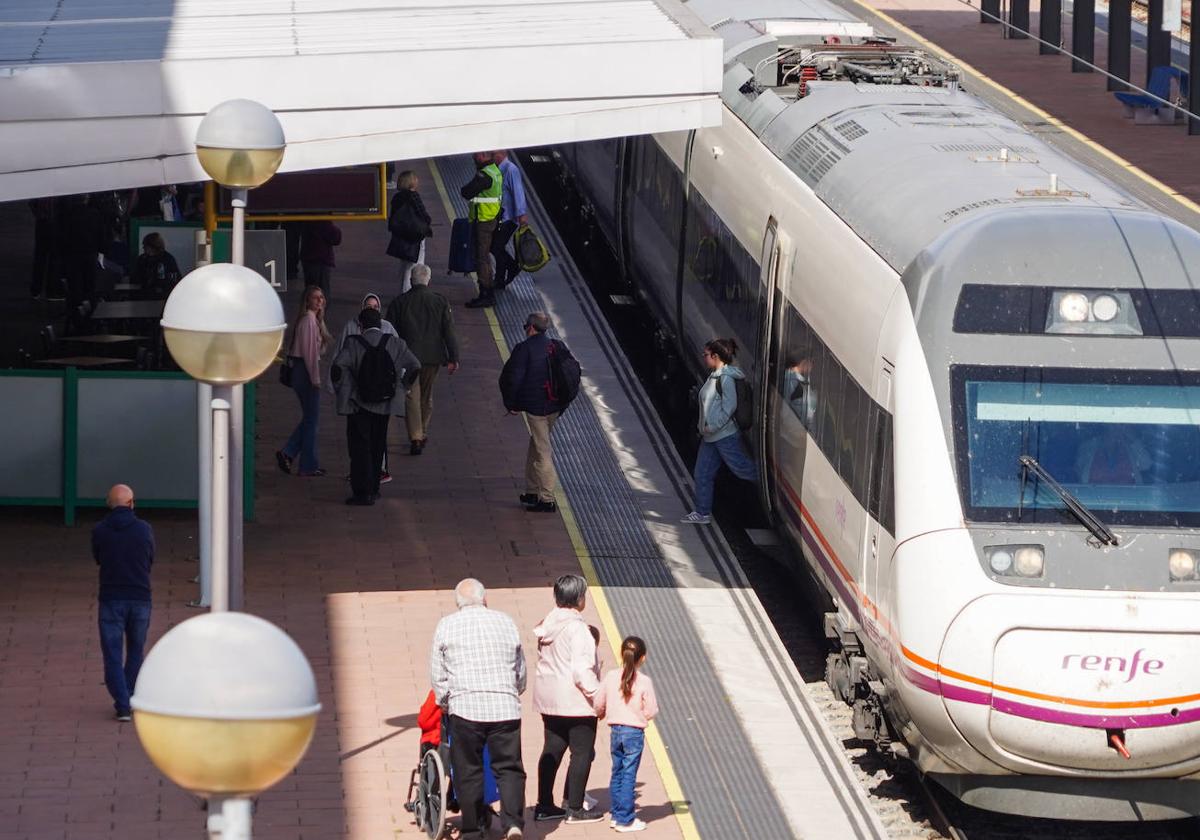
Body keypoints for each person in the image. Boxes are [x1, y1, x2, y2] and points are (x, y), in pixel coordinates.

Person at [430, 579, 527, 840]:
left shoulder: (446, 625)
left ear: (458, 604)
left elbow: (438, 676)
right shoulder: (506, 622)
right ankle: (513, 823)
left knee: (468, 770)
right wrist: (513, 690)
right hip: (505, 707)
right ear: (485, 599)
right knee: (509, 768)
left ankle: (473, 830)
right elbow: (520, 670)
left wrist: (446, 702)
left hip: (466, 709)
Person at [532, 574, 604, 824]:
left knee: (552, 750)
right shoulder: (579, 630)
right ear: (579, 598)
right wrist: (598, 697)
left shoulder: (547, 624)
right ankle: (574, 807)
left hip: (549, 699)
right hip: (575, 702)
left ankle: (544, 805)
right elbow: (582, 670)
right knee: (581, 753)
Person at [332, 307, 419, 506]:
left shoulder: (353, 344)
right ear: (380, 324)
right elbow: (415, 366)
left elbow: (338, 368)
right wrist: (402, 387)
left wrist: (344, 391)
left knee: (359, 447)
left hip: (358, 404)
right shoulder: (396, 344)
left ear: (360, 325)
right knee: (378, 444)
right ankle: (374, 489)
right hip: (385, 404)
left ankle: (361, 493)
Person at [91, 484, 154, 723]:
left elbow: (98, 557)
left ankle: (122, 703)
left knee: (112, 653)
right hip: (140, 596)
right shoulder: (144, 529)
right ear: (131, 503)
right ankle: (129, 696)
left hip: (110, 597)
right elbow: (150, 557)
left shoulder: (100, 530)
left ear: (109, 504)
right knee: (136, 649)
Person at [681, 338, 757, 525]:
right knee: (702, 473)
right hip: (712, 436)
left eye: (706, 355)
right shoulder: (715, 375)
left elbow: (729, 407)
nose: (703, 357)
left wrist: (712, 426)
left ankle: (771, 489)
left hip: (724, 436)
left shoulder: (726, 378)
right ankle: (702, 513)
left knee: (742, 469)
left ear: (716, 357)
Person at [386, 264, 460, 456]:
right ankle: (423, 431)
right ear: (429, 280)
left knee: (411, 395)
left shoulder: (399, 302)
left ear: (411, 280)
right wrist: (454, 357)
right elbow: (449, 332)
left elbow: (390, 333)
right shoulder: (440, 302)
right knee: (427, 395)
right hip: (433, 358)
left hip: (408, 358)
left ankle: (416, 436)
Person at [499, 312, 566, 512]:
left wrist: (511, 404)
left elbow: (512, 378)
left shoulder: (524, 349)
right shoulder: (556, 346)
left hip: (537, 409)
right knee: (536, 445)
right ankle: (531, 490)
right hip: (554, 407)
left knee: (543, 450)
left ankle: (546, 499)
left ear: (529, 327)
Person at [594, 636, 658, 833]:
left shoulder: (612, 676)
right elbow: (652, 709)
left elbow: (598, 702)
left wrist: (601, 713)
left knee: (618, 772)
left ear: (622, 653)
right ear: (643, 658)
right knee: (629, 773)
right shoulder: (644, 681)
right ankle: (625, 819)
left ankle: (616, 814)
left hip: (615, 730)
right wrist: (643, 717)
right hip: (634, 732)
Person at [335, 292, 399, 483]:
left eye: (375, 307)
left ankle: (377, 470)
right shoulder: (350, 327)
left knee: (374, 435)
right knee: (360, 435)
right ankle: (362, 471)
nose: (372, 309)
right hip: (358, 392)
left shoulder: (387, 328)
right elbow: (339, 356)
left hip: (376, 391)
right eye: (368, 306)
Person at [418, 689, 501, 819]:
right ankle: (457, 796)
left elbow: (424, 720)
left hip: (442, 743)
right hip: (476, 739)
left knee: (434, 746)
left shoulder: (440, 691)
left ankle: (449, 794)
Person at [277, 286, 332, 478]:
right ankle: (306, 463)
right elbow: (310, 354)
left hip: (301, 371)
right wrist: (316, 378)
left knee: (310, 418)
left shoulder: (311, 321)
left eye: (322, 297)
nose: (320, 301)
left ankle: (290, 453)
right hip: (305, 371)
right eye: (315, 298)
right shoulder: (309, 321)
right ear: (307, 301)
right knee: (312, 420)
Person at [461, 152, 503, 309]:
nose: (473, 156)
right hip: (490, 218)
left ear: (484, 155)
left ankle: (486, 293)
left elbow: (466, 192)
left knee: (482, 258)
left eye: (477, 154)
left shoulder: (484, 175)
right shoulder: (495, 170)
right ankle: (487, 291)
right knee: (484, 257)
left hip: (483, 221)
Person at [387, 170, 433, 293]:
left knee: (404, 266)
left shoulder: (396, 198)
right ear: (412, 182)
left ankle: (403, 291)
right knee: (415, 265)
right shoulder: (414, 196)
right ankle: (411, 293)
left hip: (402, 236)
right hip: (415, 236)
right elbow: (424, 215)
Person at [490, 150, 528, 291]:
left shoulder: (511, 170)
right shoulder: (499, 169)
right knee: (497, 247)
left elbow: (518, 192)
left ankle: (511, 268)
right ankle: (500, 280)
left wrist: (521, 214)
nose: (491, 157)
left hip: (509, 218)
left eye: (492, 155)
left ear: (500, 154)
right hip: (501, 217)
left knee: (496, 247)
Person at [130, 232, 181, 298]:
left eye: (145, 246)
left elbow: (174, 279)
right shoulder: (142, 259)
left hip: (162, 295)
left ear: (152, 247)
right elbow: (135, 278)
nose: (143, 248)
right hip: (144, 295)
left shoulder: (167, 259)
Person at [299, 220, 343, 297]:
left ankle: (309, 307)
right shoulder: (323, 220)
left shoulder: (306, 219)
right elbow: (336, 238)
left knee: (310, 290)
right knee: (322, 292)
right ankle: (320, 308)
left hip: (308, 259)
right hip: (321, 261)